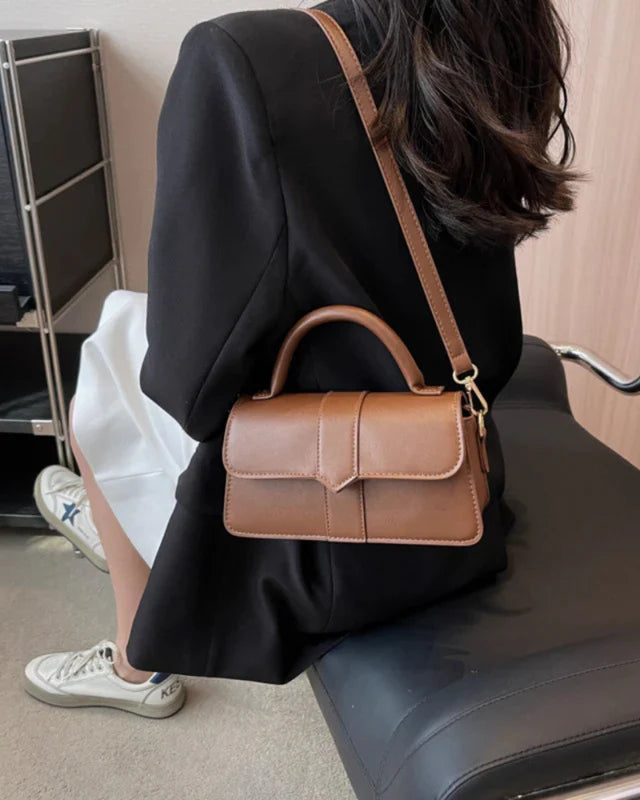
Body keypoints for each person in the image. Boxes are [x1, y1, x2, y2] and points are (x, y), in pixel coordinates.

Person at [24, 0, 579, 715]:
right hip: (461, 488)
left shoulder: (241, 55)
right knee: (129, 332)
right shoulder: (496, 29)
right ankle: (121, 523)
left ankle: (135, 661)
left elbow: (190, 388)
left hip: (323, 524)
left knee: (109, 354)